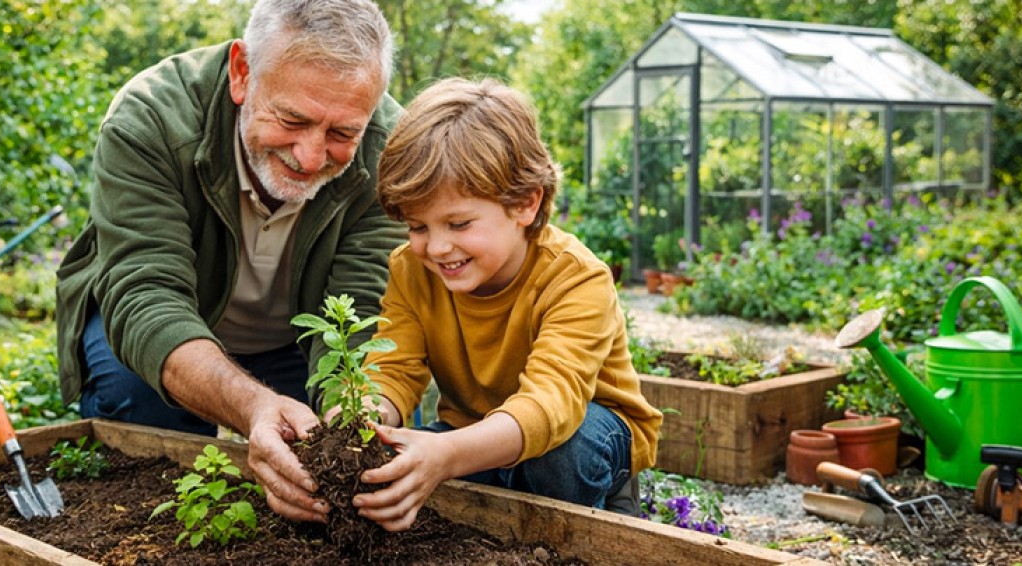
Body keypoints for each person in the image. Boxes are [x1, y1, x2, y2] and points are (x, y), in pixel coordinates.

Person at [53, 0, 404, 523]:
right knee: (140, 435)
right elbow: (146, 294)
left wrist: (349, 424)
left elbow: (363, 312)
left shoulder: (391, 150)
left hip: (294, 337)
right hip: (166, 323)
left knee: (345, 463)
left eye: (341, 134)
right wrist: (252, 406)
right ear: (243, 72)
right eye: (292, 119)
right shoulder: (151, 115)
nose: (310, 157)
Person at [350, 77, 663, 531]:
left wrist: (447, 454)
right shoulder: (411, 269)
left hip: (580, 435)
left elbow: (550, 403)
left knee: (560, 458)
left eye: (458, 223)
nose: (436, 247)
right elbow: (393, 367)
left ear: (526, 204)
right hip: (474, 433)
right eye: (418, 227)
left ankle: (608, 502)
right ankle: (500, 497)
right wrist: (365, 414)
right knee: (391, 467)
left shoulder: (575, 278)